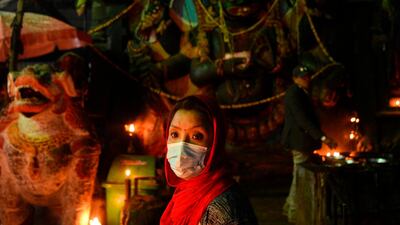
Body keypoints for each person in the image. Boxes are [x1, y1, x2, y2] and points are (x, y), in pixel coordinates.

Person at [160, 95, 258, 225]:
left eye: (197, 136)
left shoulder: (223, 209)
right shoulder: (186, 191)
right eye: (174, 134)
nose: (181, 146)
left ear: (215, 143)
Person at [281, 64, 338, 223]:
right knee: (301, 175)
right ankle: (297, 210)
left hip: (304, 141)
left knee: (300, 175)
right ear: (295, 79)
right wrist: (323, 138)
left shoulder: (303, 93)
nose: (306, 79)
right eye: (302, 77)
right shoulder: (294, 94)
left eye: (307, 76)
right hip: (299, 141)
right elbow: (303, 120)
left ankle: (293, 208)